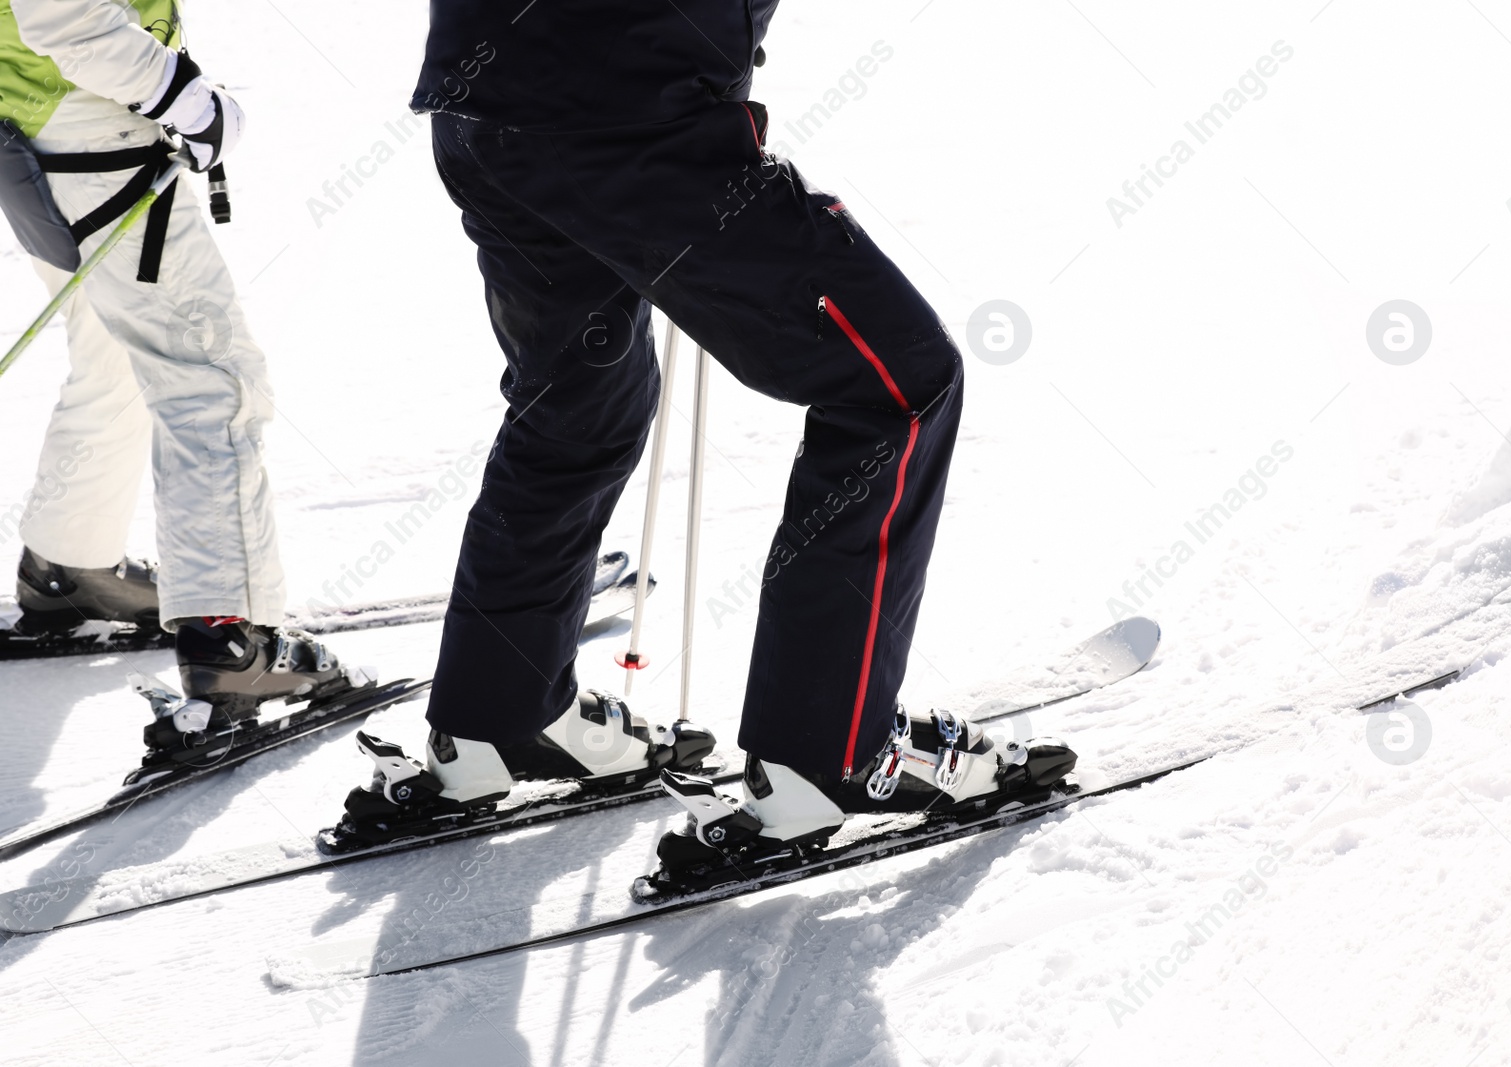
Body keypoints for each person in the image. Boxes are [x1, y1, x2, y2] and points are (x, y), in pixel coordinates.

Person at [331, 1, 1074, 867]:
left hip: (488, 107)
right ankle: (825, 755)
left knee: (575, 400)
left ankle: (496, 721)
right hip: (625, 119)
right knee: (897, 386)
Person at [1, 1, 348, 747]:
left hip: (32, 115)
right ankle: (230, 642)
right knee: (214, 383)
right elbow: (65, 17)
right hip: (90, 120)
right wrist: (182, 96)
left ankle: (70, 558)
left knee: (117, 346)